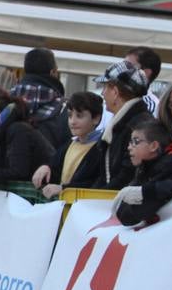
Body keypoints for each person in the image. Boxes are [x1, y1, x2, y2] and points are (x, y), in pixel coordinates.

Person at [81, 60, 152, 190]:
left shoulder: (137, 126)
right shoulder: (124, 123)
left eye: (105, 87)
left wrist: (96, 198)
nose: (102, 93)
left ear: (115, 92)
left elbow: (126, 175)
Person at [32, 91, 105, 199]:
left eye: (79, 116)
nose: (72, 121)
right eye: (70, 115)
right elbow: (54, 165)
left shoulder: (101, 148)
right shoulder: (70, 144)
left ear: (96, 119)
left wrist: (64, 188)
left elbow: (94, 182)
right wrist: (46, 166)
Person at [113, 120, 172, 226]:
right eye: (130, 142)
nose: (129, 147)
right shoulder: (145, 167)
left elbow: (131, 215)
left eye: (135, 141)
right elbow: (122, 212)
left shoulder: (169, 166)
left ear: (153, 146)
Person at [10, 48, 68, 149]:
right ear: (52, 72)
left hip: (7, 163)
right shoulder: (64, 108)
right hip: (47, 163)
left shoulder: (7, 101)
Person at [126, 47, 162, 114]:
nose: (122, 70)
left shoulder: (150, 107)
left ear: (145, 73)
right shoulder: (119, 96)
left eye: (128, 66)